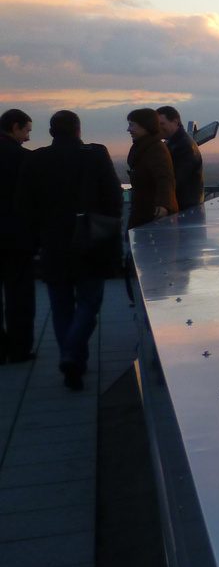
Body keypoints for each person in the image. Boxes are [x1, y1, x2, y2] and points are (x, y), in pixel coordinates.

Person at [14, 111, 122, 389]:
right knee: (89, 303)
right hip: (90, 241)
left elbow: (25, 207)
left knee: (61, 307)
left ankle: (72, 359)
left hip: (53, 245)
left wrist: (33, 241)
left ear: (51, 132)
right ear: (78, 130)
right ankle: (73, 355)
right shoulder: (95, 154)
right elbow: (113, 195)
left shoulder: (34, 159)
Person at [0, 109, 36, 363]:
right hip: (16, 238)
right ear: (15, 127)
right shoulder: (23, 159)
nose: (27, 137)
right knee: (19, 295)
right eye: (26, 131)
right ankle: (19, 348)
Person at [125, 108, 177, 230]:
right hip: (145, 211)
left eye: (131, 125)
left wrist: (163, 205)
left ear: (144, 126)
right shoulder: (145, 146)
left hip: (151, 215)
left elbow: (165, 178)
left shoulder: (155, 149)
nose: (128, 129)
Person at [156, 105, 204, 210]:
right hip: (186, 208)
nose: (159, 128)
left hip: (185, 209)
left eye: (162, 124)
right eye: (157, 124)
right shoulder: (177, 143)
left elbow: (177, 179)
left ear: (175, 122)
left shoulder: (183, 146)